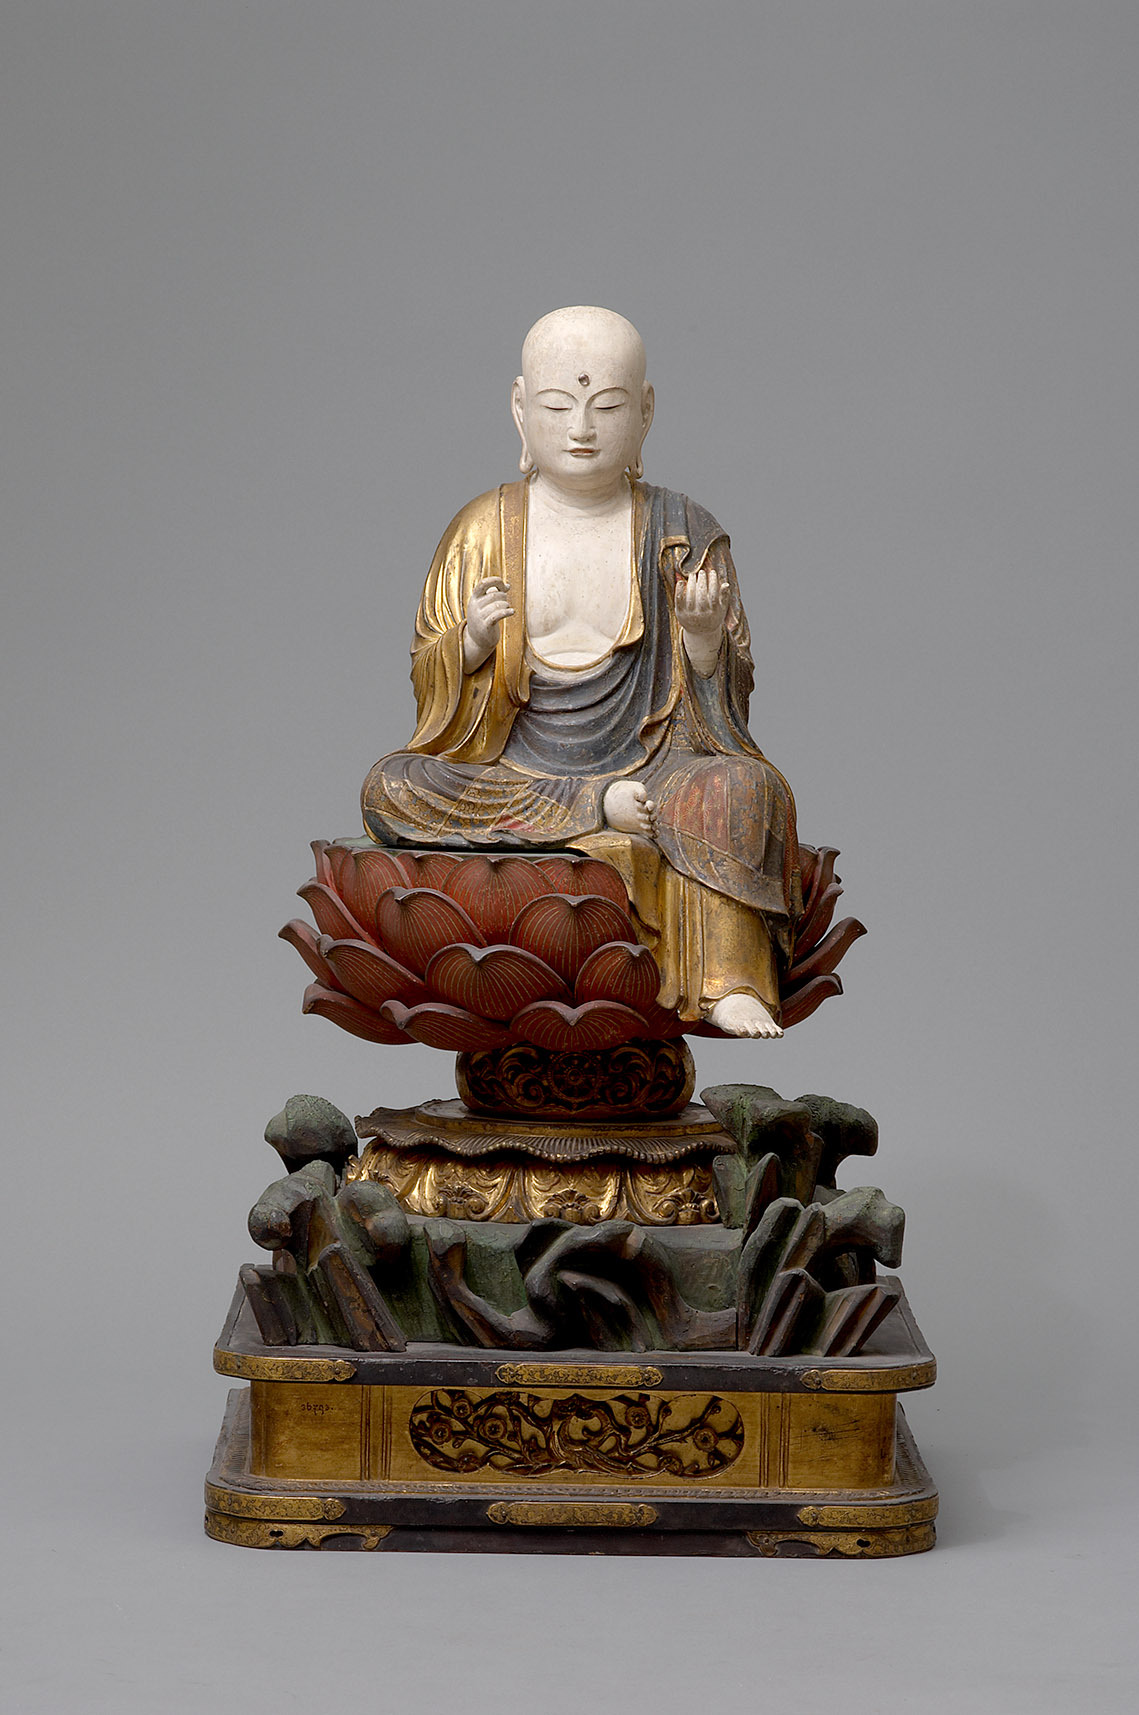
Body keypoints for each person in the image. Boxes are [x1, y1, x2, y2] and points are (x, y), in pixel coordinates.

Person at [361, 307, 802, 1038]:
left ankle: (727, 976)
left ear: (646, 411)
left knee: (745, 789)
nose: (582, 429)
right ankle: (594, 806)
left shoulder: (684, 533)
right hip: (518, 770)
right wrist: (469, 645)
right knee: (392, 786)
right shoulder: (479, 530)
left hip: (657, 771)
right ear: (519, 409)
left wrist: (701, 641)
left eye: (608, 407)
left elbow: (725, 710)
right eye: (558, 406)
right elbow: (430, 684)